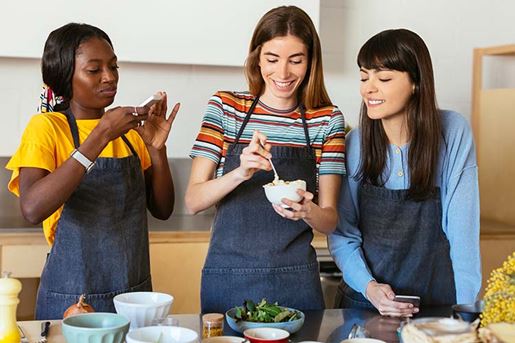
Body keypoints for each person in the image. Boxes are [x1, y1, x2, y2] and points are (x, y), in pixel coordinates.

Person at [6, 23, 179, 320]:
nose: (109, 77)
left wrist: (156, 149)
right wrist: (100, 134)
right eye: (94, 70)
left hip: (133, 297)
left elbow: (162, 209)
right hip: (73, 300)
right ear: (65, 76)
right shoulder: (47, 127)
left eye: (113, 66)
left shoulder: (129, 133)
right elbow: (32, 208)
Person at [186, 6, 346, 313]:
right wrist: (240, 172)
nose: (283, 73)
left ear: (311, 61)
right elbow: (193, 201)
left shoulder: (326, 120)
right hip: (228, 277)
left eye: (295, 60)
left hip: (296, 279)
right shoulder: (226, 107)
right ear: (257, 58)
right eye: (272, 59)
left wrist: (307, 210)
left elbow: (330, 219)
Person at [329, 29, 481, 317]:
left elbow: (463, 234)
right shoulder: (355, 144)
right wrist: (369, 287)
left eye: (383, 78)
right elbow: (343, 234)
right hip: (366, 304)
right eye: (364, 77)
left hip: (435, 303)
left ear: (416, 83)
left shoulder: (453, 132)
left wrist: (465, 314)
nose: (368, 89)